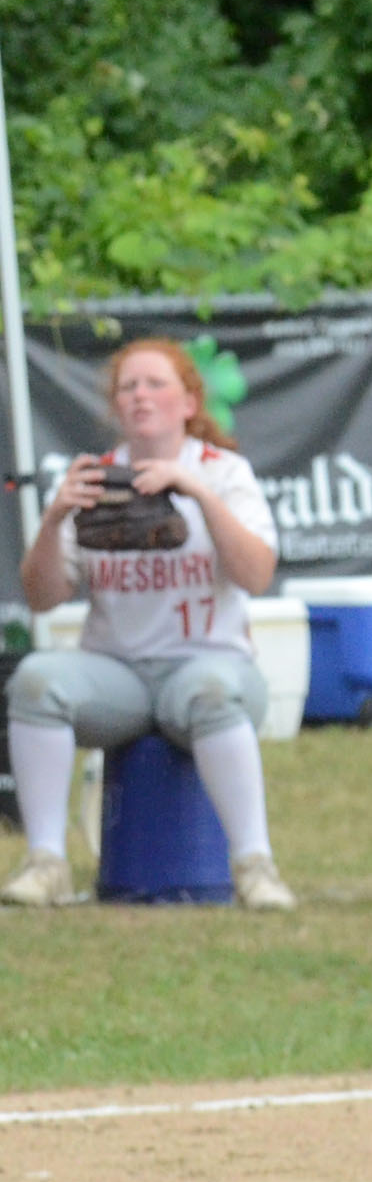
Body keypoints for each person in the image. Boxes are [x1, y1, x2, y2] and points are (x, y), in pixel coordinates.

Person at [1, 339, 294, 911]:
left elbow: (256, 575)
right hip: (119, 675)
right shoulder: (97, 477)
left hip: (213, 663)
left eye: (155, 383)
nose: (140, 395)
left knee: (212, 690)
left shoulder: (223, 472)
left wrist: (197, 493)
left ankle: (255, 867)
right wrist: (56, 516)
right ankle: (46, 863)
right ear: (115, 405)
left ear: (189, 402)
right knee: (35, 681)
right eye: (127, 387)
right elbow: (42, 596)